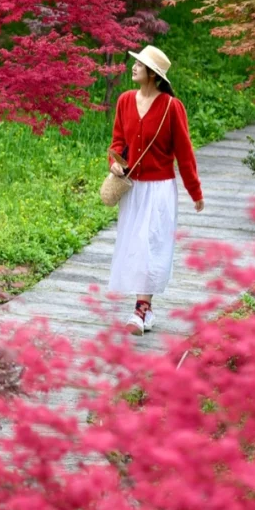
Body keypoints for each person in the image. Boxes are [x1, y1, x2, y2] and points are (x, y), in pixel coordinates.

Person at [107, 44, 204, 334]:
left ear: (153, 73)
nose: (133, 66)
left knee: (150, 245)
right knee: (136, 246)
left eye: (139, 64)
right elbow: (117, 142)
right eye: (135, 62)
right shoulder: (125, 101)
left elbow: (184, 153)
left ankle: (140, 310)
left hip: (160, 189)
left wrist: (195, 192)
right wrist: (114, 163)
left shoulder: (172, 107)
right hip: (132, 188)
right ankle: (146, 311)